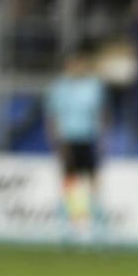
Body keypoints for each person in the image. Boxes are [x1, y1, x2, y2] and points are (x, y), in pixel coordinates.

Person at [44, 42, 109, 245]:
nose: (77, 67)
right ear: (68, 65)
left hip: (88, 138)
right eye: (74, 64)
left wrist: (103, 138)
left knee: (93, 180)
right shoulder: (59, 88)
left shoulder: (94, 86)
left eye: (81, 64)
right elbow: (52, 117)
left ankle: (95, 223)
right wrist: (55, 142)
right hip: (68, 139)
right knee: (70, 182)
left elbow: (102, 113)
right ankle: (71, 224)